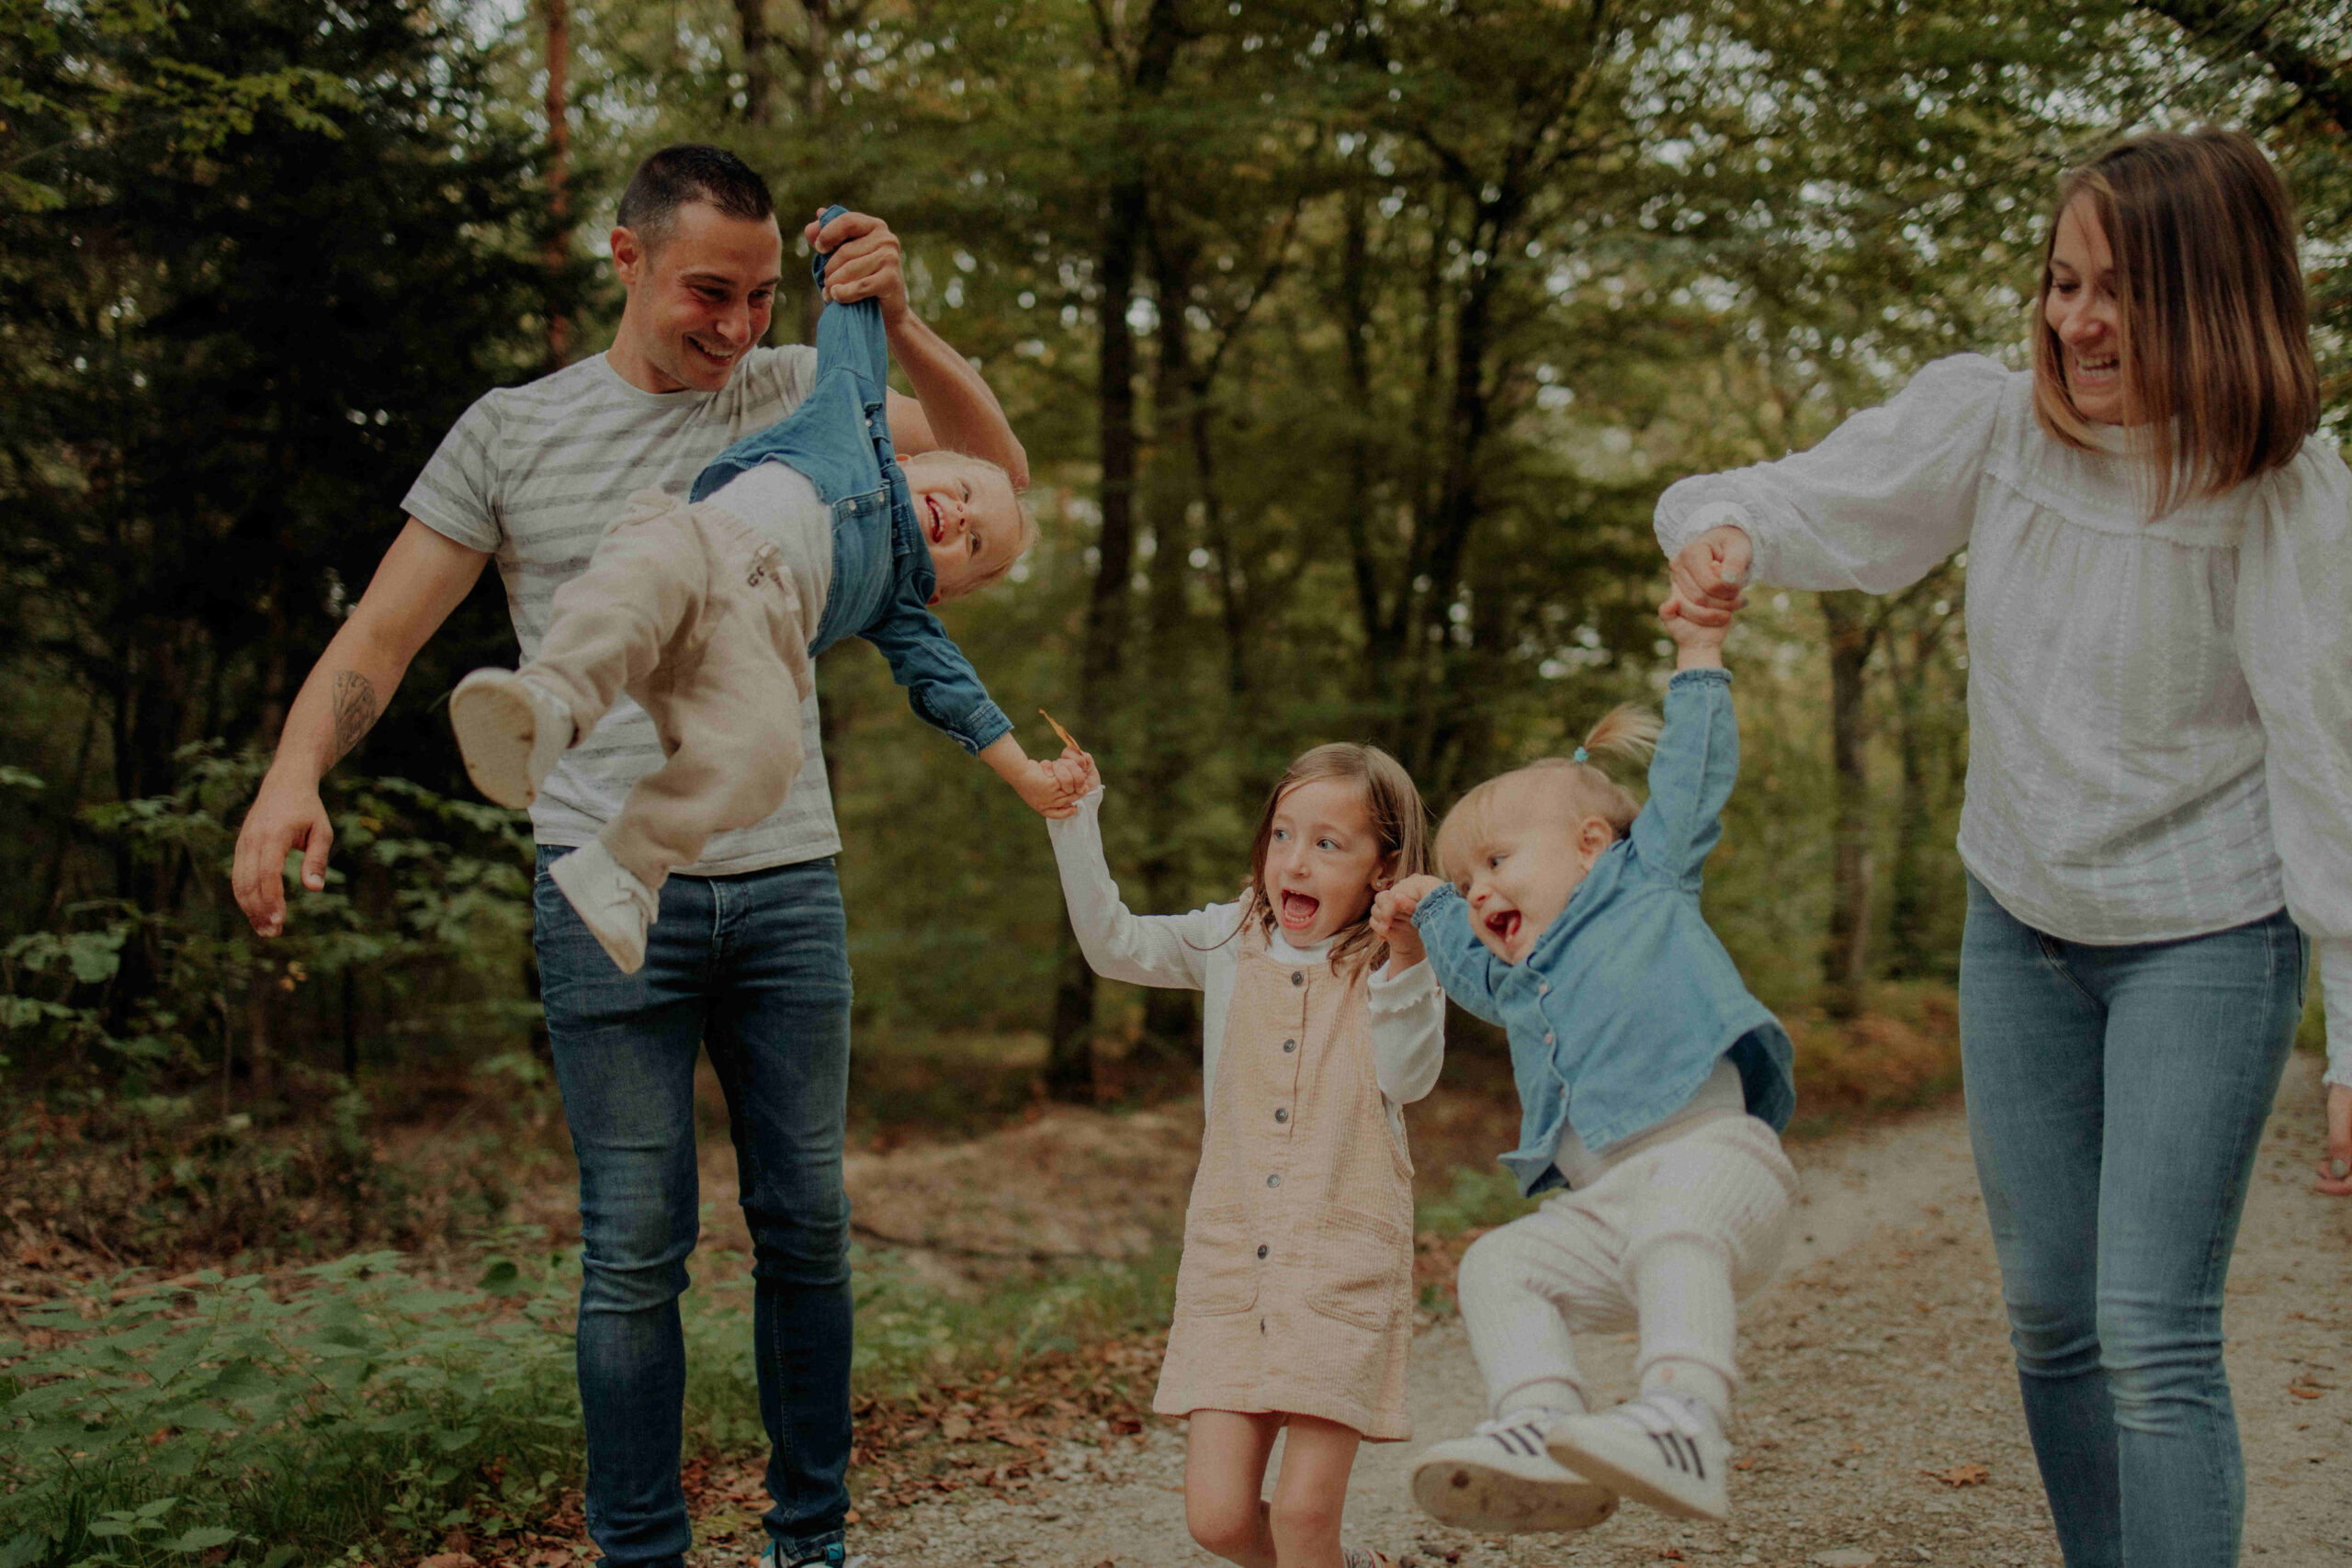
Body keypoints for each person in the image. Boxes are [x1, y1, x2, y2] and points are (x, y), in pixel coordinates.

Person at [230, 146, 1027, 1568]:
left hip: (786, 880)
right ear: (629, 258)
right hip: (601, 889)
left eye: (762, 294)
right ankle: (639, 1552)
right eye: (707, 292)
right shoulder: (510, 433)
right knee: (634, 1247)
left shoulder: (796, 388)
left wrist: (902, 320)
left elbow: (996, 474)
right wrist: (293, 775)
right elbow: (384, 634)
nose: (733, 326)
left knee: (806, 1228)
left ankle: (811, 1541)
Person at [1657, 129, 2352, 1568]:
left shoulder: (2283, 495)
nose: (2075, 324)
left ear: (2216, 299)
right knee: (2050, 1313)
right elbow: (1810, 498)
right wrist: (1725, 532)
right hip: (2021, 920)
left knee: (2151, 1331)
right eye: (2061, 281)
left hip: (2207, 936)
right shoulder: (1993, 424)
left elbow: (2331, 758)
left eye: (2121, 294)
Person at [447, 204, 1078, 974]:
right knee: (629, 583)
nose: (964, 521)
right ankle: (548, 707)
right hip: (702, 551)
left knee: (766, 755)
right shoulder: (853, 412)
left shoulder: (899, 603)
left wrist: (1031, 778)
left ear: (944, 592)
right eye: (965, 493)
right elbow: (852, 320)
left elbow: (958, 697)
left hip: (750, 653)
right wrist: (840, 244)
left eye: (976, 546)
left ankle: (623, 866)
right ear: (916, 460)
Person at [1377, 593, 1798, 1529]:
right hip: (1609, 1206)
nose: (1480, 887)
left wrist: (1698, 650)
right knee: (1497, 1265)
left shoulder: (1643, 883)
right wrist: (1431, 909)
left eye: (1493, 862)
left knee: (1674, 1220)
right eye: (1467, 880)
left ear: (1590, 845)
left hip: (1716, 1167)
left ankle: (1685, 1421)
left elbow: (1691, 780)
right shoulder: (1524, 982)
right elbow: (1474, 977)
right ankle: (1537, 1427)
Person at [1043, 741, 1444, 1568]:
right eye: (1283, 835)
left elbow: (1409, 1079)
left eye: (1329, 843)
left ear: (1384, 866)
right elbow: (1111, 944)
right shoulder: (1227, 938)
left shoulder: (1395, 967)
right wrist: (1075, 822)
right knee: (1220, 1521)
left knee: (1302, 1518)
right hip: (1233, 1264)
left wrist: (1408, 956)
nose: (1296, 861)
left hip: (1339, 1265)